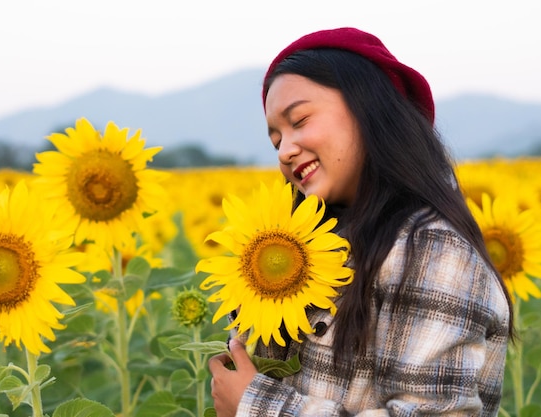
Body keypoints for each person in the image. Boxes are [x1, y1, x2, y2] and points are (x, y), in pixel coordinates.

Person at [207, 27, 513, 416]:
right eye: (275, 140)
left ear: (370, 108)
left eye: (299, 120)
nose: (285, 150)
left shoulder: (431, 249)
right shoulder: (308, 243)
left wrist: (257, 406)